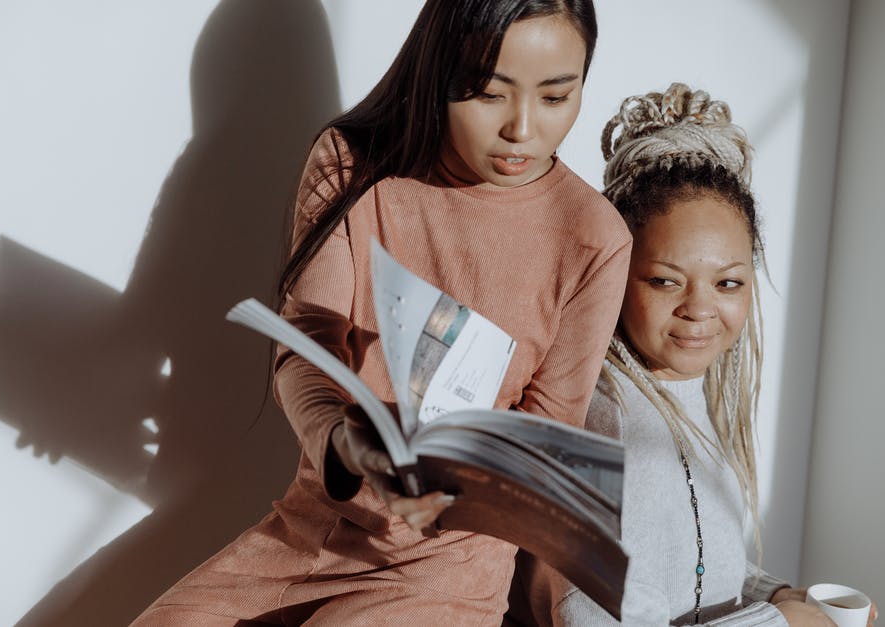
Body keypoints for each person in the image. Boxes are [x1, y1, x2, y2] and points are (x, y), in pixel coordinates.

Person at [130, 0, 632, 624]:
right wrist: (346, 442)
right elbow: (305, 341)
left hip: (444, 568)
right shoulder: (351, 165)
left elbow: (548, 434)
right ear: (437, 71)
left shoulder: (593, 236)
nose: (522, 130)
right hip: (310, 532)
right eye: (487, 93)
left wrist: (446, 470)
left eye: (556, 98)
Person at [516, 83, 877, 626]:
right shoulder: (604, 426)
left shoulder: (684, 393)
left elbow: (689, 569)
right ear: (617, 274)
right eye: (665, 281)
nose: (700, 310)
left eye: (728, 284)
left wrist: (775, 594)